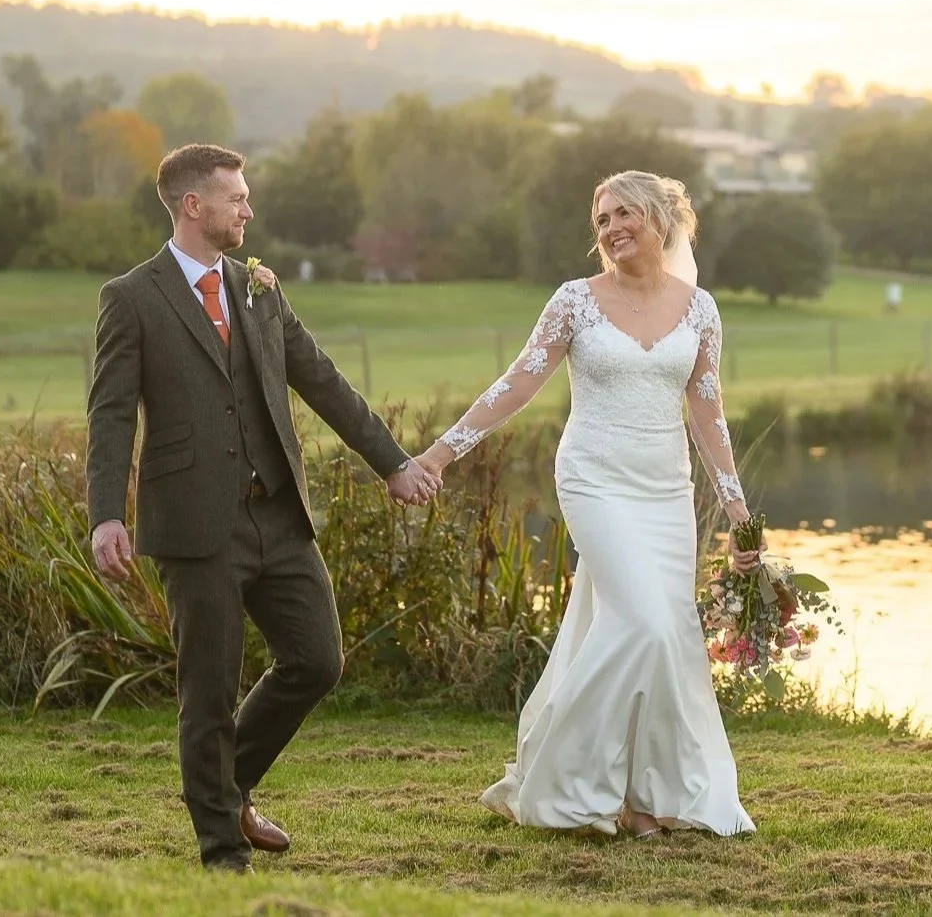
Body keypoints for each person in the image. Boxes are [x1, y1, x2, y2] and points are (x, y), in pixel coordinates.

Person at [85, 143, 440, 872]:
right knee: (207, 691)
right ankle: (221, 851)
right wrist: (105, 513)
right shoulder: (131, 297)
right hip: (193, 525)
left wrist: (394, 463)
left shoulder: (258, 287)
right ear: (193, 206)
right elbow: (111, 414)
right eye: (236, 197)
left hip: (277, 515)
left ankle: (231, 785)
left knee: (317, 658)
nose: (248, 208)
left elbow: (323, 380)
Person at [410, 170, 761, 839]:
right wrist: (438, 454)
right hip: (595, 479)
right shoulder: (575, 302)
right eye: (602, 219)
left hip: (665, 490)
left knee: (670, 636)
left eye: (625, 212)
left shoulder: (701, 309)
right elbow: (516, 385)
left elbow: (708, 414)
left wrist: (740, 511)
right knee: (646, 625)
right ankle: (568, 779)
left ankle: (646, 796)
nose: (612, 227)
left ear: (661, 218)